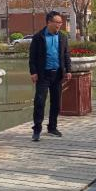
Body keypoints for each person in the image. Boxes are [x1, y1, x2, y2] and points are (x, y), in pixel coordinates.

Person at [29, 11, 72, 142]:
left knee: (56, 102)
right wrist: (33, 72)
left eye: (60, 22)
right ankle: (37, 129)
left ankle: (52, 127)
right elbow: (32, 56)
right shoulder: (39, 37)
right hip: (43, 75)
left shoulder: (63, 37)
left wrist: (68, 70)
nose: (59, 25)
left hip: (57, 74)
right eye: (57, 22)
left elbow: (66, 55)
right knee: (39, 102)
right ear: (49, 22)